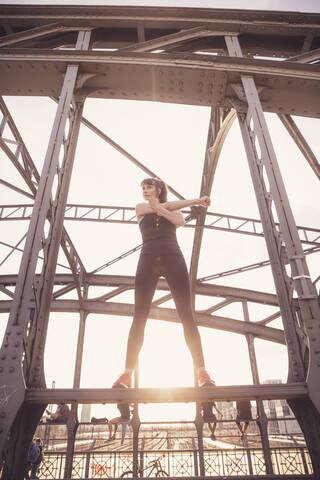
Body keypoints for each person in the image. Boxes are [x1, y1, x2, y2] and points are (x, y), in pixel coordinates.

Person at [112, 178, 215, 389]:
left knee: (186, 314)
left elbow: (179, 221)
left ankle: (202, 372)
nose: (144, 191)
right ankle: (126, 374)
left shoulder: (172, 211)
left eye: (148, 187)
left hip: (173, 257)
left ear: (158, 189)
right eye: (142, 188)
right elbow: (168, 210)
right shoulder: (140, 208)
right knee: (139, 315)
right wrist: (192, 202)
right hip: (148, 258)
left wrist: (162, 208)